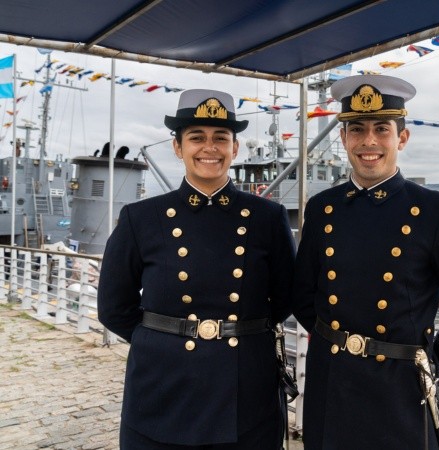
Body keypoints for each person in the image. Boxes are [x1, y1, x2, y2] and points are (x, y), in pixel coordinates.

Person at [292, 74, 439, 450]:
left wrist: (430, 365)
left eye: (381, 129)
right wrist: (335, 344)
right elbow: (305, 298)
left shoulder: (436, 212)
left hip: (401, 391)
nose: (368, 141)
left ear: (401, 138)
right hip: (331, 383)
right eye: (356, 130)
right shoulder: (322, 209)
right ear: (343, 139)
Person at [97, 89, 296, 449]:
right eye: (196, 138)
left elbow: (284, 300)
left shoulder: (268, 218)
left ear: (235, 149)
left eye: (221, 138)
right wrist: (164, 343)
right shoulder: (141, 218)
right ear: (177, 147)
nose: (210, 148)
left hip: (245, 389)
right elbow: (113, 308)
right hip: (163, 387)